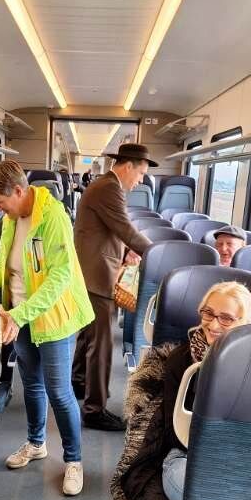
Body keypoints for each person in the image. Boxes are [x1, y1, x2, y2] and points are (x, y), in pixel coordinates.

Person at [0, 160, 94, 497]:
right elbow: (1, 263)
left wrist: (20, 315)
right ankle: (36, 443)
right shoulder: (10, 219)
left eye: (0, 201)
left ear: (19, 191)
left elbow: (60, 276)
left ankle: (74, 460)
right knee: (32, 384)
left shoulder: (53, 217)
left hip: (53, 317)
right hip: (20, 315)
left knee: (59, 391)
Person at [111, 281, 251, 500]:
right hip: (186, 456)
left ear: (244, 322)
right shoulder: (181, 361)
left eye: (226, 318)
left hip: (238, 459)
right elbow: (174, 432)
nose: (213, 325)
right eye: (208, 313)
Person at [72, 143, 157, 432]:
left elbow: (109, 231)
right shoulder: (109, 188)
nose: (141, 180)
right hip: (96, 275)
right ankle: (94, 410)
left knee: (88, 335)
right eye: (141, 173)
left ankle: (78, 382)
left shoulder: (105, 186)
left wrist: (125, 251)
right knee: (102, 345)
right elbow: (126, 229)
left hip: (90, 271)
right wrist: (160, 256)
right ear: (128, 166)